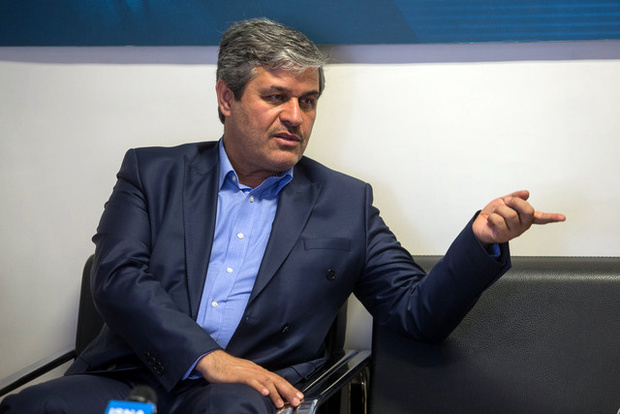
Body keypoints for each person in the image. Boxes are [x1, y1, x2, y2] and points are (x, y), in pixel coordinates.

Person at [0, 18, 565, 414]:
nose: (296, 116)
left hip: (240, 396)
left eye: (308, 101)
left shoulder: (345, 202)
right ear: (227, 98)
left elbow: (416, 314)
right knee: (35, 406)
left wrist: (479, 240)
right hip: (130, 381)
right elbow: (117, 277)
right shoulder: (152, 173)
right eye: (276, 97)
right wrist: (206, 357)